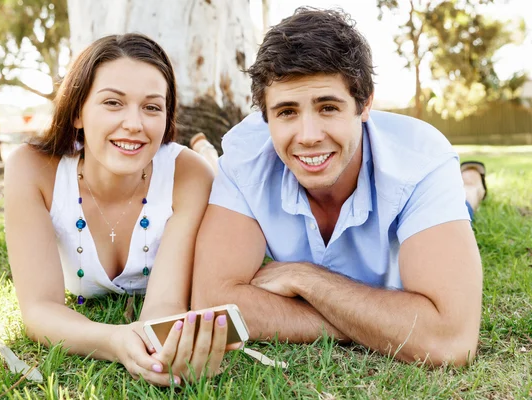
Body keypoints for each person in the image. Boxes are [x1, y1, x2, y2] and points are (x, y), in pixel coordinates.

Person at [192, 8, 484, 367]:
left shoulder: (422, 162)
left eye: (328, 107)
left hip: (424, 210)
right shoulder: (244, 158)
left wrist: (305, 278)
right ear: (265, 116)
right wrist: (370, 325)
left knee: (465, 204)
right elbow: (213, 304)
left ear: (364, 105)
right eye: (286, 112)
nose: (309, 136)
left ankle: (472, 184)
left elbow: (450, 340)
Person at [4, 33, 232, 386]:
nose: (134, 124)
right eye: (113, 103)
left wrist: (158, 344)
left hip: (200, 166)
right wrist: (115, 340)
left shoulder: (189, 176)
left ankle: (202, 146)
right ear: (78, 112)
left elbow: (165, 305)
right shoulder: (32, 169)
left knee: (211, 165)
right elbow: (39, 309)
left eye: (152, 107)